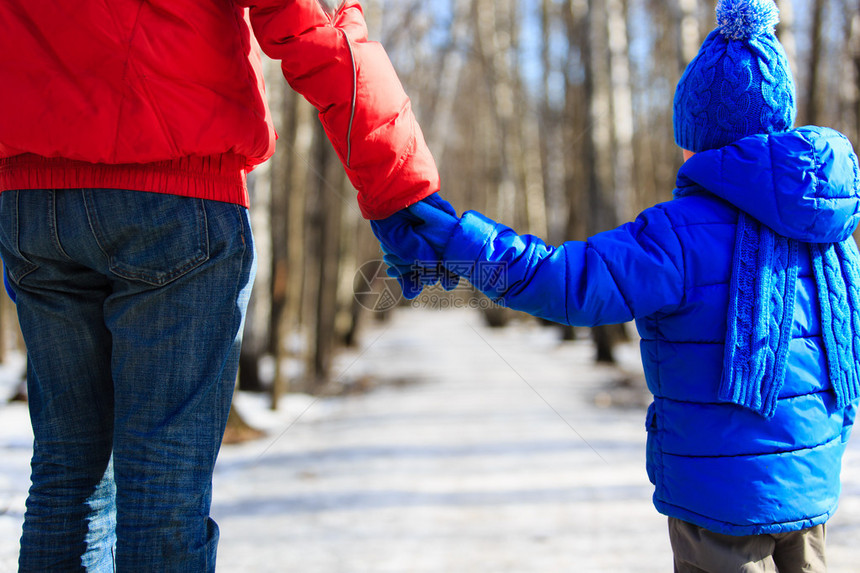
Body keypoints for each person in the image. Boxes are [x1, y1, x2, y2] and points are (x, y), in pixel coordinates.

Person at [373, 0, 860, 571]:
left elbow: (564, 282)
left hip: (718, 503)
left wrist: (460, 239)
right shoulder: (829, 232)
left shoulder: (681, 235)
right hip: (811, 490)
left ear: (701, 140)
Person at [0, 0, 440, 570]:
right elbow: (308, 23)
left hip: (32, 198)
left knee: (66, 473)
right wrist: (401, 190)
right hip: (174, 186)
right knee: (163, 482)